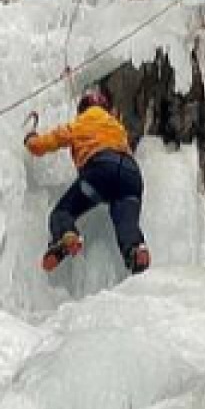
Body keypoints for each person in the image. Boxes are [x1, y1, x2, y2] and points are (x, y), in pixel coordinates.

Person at [24, 86, 151, 274]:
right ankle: (135, 249)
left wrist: (31, 139)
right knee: (126, 222)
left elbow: (44, 144)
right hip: (130, 176)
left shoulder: (80, 124)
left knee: (62, 213)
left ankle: (66, 235)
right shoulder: (117, 126)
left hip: (99, 172)